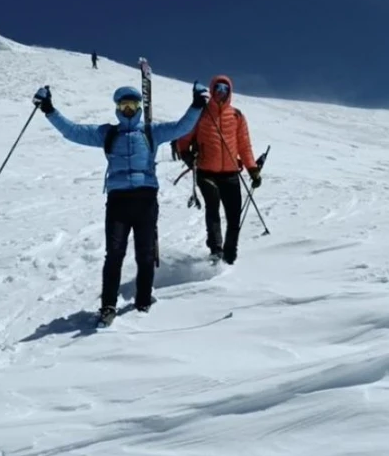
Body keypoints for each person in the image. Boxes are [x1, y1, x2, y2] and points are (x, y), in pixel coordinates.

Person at [32, 81, 207, 325]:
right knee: (114, 254)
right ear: (117, 107)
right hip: (118, 201)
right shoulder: (108, 133)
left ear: (139, 107)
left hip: (146, 199)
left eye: (132, 104)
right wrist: (49, 109)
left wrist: (197, 104)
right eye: (123, 105)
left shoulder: (151, 132)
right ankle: (108, 306)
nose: (128, 109)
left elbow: (181, 127)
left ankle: (143, 300)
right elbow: (72, 131)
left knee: (145, 253)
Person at [174, 75, 261, 265]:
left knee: (233, 215)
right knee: (212, 207)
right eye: (218, 88)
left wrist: (252, 169)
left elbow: (244, 146)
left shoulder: (237, 116)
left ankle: (230, 254)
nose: (221, 92)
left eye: (225, 89)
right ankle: (216, 250)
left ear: (230, 92)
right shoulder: (201, 113)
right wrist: (185, 153)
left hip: (230, 173)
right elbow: (184, 137)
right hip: (206, 171)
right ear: (212, 90)